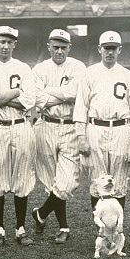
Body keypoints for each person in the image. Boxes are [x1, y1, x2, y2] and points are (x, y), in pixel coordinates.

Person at [73, 31, 130, 243]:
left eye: (114, 48)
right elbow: (80, 107)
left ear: (120, 50)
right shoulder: (89, 74)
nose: (109, 51)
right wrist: (81, 136)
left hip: (121, 128)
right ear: (99, 49)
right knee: (97, 180)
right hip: (95, 128)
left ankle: (117, 229)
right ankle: (102, 230)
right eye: (106, 47)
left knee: (120, 179)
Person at [27, 29, 86, 245]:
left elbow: (76, 93)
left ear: (69, 48)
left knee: (67, 181)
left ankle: (40, 213)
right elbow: (35, 96)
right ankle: (63, 227)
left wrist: (48, 93)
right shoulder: (40, 68)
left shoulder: (78, 66)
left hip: (70, 126)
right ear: (49, 46)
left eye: (64, 46)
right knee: (52, 182)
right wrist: (60, 93)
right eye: (56, 46)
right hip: (45, 126)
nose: (59, 50)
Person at [0, 26, 37, 246]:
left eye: (10, 42)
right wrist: (15, 93)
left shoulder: (23, 68)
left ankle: (20, 228)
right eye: (2, 41)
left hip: (21, 126)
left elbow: (30, 100)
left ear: (15, 44)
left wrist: (0, 98)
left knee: (22, 177)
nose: (6, 46)